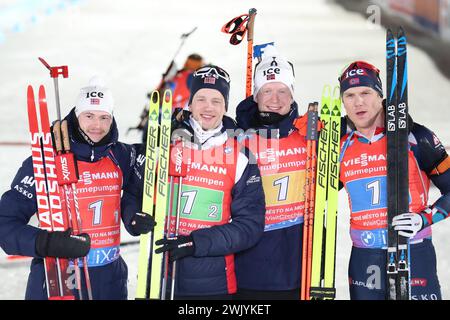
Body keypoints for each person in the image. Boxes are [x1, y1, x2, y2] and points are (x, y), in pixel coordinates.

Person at [0, 77, 155, 300]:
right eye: (89, 116)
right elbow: (5, 224)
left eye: (104, 117)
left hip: (110, 284)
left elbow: (137, 185)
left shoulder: (121, 155)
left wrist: (132, 214)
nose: (97, 126)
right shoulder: (45, 162)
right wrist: (47, 243)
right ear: (76, 115)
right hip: (58, 283)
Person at [148, 64, 266, 299]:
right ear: (189, 103)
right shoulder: (165, 144)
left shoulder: (241, 156)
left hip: (215, 285)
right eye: (201, 98)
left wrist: (195, 243)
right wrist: (134, 216)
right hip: (160, 278)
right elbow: (135, 191)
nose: (208, 107)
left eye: (216, 100)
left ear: (225, 107)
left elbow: (249, 226)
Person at [338, 61, 450, 300]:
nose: (358, 102)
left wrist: (424, 219)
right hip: (364, 257)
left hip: (413, 251)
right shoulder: (338, 146)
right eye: (350, 95)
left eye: (366, 93)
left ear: (380, 96)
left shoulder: (416, 137)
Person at [233, 45, 307, 300]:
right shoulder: (236, 139)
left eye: (282, 90)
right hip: (247, 271)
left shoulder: (310, 136)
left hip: (298, 273)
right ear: (256, 95)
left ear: (293, 94)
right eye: (267, 90)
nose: (275, 99)